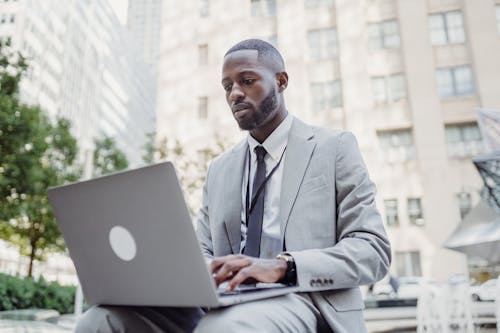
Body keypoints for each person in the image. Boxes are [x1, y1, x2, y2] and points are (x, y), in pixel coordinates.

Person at [76, 39, 391, 333]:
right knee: (99, 321)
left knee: (223, 328)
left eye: (247, 81)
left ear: (281, 81)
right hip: (225, 300)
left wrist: (283, 267)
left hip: (303, 298)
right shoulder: (219, 169)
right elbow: (203, 251)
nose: (234, 93)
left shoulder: (333, 148)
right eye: (227, 86)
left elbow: (372, 251)